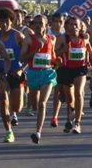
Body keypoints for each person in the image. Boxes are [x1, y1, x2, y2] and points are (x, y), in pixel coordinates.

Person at [55, 16, 92, 134]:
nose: (74, 27)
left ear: (80, 27)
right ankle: (73, 109)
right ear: (66, 27)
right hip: (66, 70)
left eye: (76, 25)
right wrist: (64, 50)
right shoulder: (62, 39)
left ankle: (77, 123)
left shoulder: (84, 38)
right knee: (69, 99)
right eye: (71, 24)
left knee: (79, 93)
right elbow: (54, 54)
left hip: (80, 70)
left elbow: (88, 47)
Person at [19, 14, 58, 144]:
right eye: (35, 23)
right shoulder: (28, 40)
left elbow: (52, 58)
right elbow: (22, 59)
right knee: (35, 106)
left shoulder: (51, 39)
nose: (37, 25)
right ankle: (40, 110)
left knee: (42, 103)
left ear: (46, 25)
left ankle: (38, 132)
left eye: (40, 23)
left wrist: (57, 60)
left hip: (47, 73)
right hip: (33, 74)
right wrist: (34, 51)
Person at [0, 8, 25, 143]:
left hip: (16, 72)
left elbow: (28, 55)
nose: (4, 25)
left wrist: (22, 68)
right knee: (3, 99)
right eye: (1, 22)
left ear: (11, 21)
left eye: (7, 21)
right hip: (2, 71)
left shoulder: (18, 36)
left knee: (17, 107)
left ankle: (14, 112)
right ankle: (8, 131)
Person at [47, 12, 65, 127]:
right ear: (52, 22)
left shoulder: (66, 33)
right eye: (56, 21)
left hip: (62, 66)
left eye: (61, 22)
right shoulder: (46, 32)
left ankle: (55, 117)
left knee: (57, 92)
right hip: (46, 65)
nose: (58, 24)